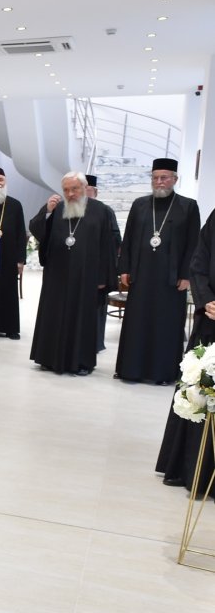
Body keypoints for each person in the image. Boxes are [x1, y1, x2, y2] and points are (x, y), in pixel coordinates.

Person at [115, 158, 200, 384]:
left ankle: (162, 373)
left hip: (171, 279)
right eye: (155, 178)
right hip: (141, 275)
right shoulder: (140, 204)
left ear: (175, 179)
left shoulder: (188, 206)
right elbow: (129, 238)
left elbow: (194, 243)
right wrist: (124, 268)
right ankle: (130, 370)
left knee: (166, 324)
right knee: (137, 322)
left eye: (164, 177)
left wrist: (186, 275)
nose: (159, 182)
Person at [28, 172, 118, 376]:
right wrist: (47, 211)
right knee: (54, 316)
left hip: (87, 276)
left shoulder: (101, 211)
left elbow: (108, 247)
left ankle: (81, 362)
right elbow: (38, 230)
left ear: (85, 188)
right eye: (66, 190)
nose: (70, 193)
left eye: (74, 189)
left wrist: (103, 277)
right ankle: (49, 359)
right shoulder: (58, 208)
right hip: (57, 275)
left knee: (82, 319)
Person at [156, 207, 215, 491]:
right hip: (212, 321)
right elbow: (199, 263)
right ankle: (191, 469)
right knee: (198, 396)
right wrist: (206, 300)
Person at [0, 167, 27, 340]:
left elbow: (20, 233)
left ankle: (11, 328)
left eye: (0, 179)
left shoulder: (15, 205)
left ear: (5, 181)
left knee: (9, 292)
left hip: (9, 257)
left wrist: (21, 260)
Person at [85, 174, 122, 352]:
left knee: (96, 308)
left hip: (98, 269)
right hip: (78, 270)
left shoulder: (105, 211)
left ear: (96, 191)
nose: (84, 193)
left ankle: (96, 342)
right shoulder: (72, 209)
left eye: (88, 189)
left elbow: (115, 239)